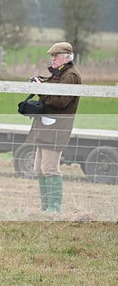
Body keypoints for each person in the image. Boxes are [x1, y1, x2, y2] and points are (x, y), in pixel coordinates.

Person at [25, 42, 81, 213]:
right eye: (52, 56)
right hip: (46, 127)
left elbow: (60, 101)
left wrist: (41, 90)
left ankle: (54, 208)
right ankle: (46, 207)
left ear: (66, 57)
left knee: (50, 168)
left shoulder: (70, 75)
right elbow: (52, 93)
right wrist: (41, 83)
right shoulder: (59, 74)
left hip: (57, 128)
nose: (53, 59)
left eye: (56, 56)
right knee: (39, 169)